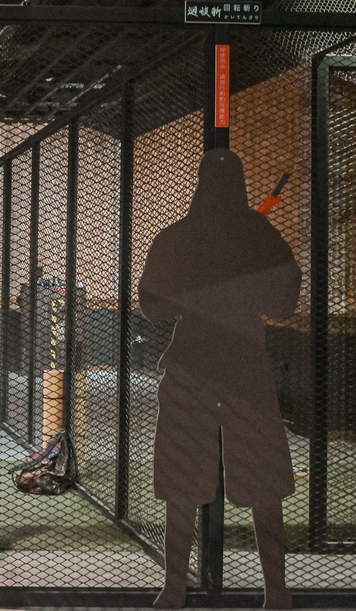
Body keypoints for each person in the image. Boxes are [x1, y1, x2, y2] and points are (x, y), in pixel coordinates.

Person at [138, 148, 301, 610]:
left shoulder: (176, 237)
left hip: (191, 364)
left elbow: (151, 306)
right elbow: (285, 302)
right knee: (264, 482)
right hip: (246, 364)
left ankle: (174, 588)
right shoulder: (260, 234)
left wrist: (194, 295)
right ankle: (276, 591)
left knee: (182, 480)